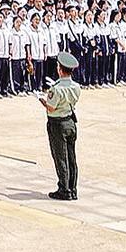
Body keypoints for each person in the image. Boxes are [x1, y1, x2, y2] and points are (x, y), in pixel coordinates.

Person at [40, 51, 81, 201]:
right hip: (70, 122)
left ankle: (64, 189)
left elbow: (51, 108)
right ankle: (73, 188)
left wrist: (43, 101)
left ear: (60, 69)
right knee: (71, 157)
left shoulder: (56, 89)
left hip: (58, 124)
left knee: (60, 157)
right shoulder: (76, 87)